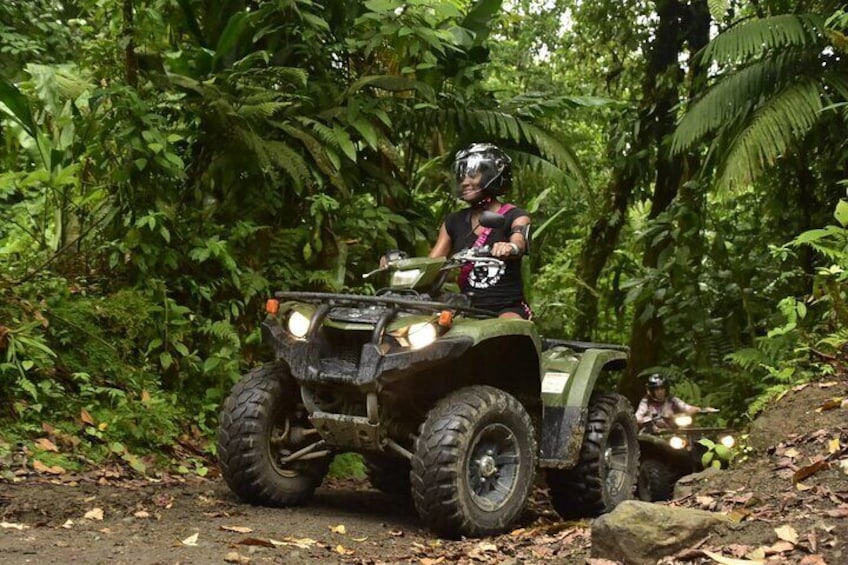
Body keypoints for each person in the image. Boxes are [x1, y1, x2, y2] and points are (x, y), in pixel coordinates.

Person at [428, 143, 532, 319]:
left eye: (472, 176)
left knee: (507, 330)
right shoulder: (453, 221)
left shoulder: (515, 215)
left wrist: (509, 247)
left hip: (507, 308)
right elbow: (432, 264)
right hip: (467, 309)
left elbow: (519, 241)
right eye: (461, 178)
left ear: (491, 175)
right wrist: (399, 266)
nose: (465, 183)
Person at [635, 374, 713, 432]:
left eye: (662, 388)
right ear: (652, 391)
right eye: (657, 389)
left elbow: (686, 407)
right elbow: (638, 416)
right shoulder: (646, 401)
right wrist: (646, 420)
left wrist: (702, 409)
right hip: (653, 432)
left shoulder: (671, 400)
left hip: (672, 431)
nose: (660, 392)